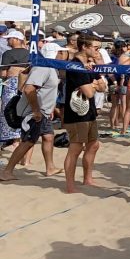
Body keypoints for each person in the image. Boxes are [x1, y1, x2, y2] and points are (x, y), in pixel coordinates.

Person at [0, 50, 60, 181]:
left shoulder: (51, 66)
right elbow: (29, 89)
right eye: (62, 52)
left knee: (48, 136)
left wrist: (50, 108)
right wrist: (36, 110)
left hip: (44, 110)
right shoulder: (43, 67)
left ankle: (50, 168)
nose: (65, 55)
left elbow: (25, 74)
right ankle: (7, 171)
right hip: (34, 112)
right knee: (28, 142)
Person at [63, 32, 108, 193]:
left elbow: (103, 87)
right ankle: (70, 185)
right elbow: (89, 92)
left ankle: (87, 179)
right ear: (84, 47)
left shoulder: (89, 64)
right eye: (95, 48)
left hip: (89, 112)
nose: (98, 51)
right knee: (75, 148)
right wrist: (94, 84)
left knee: (94, 144)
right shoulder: (76, 66)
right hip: (76, 112)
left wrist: (94, 84)